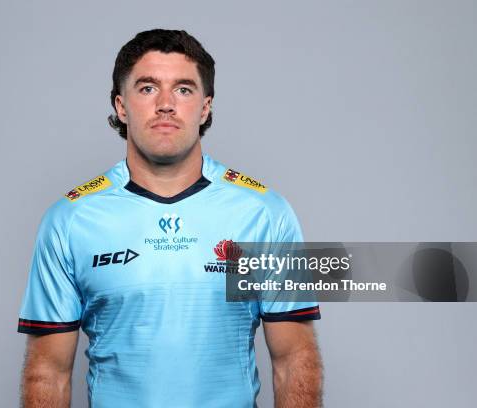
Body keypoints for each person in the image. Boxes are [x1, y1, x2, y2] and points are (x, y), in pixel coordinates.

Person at [17, 29, 322, 408]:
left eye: (183, 89)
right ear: (121, 106)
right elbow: (48, 371)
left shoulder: (264, 214)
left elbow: (294, 360)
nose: (165, 104)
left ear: (206, 106)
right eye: (147, 88)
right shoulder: (70, 220)